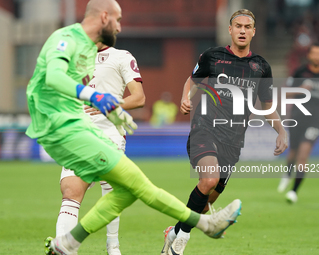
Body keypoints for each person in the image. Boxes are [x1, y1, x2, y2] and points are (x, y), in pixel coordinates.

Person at [25, 1, 242, 254]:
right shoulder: (66, 39)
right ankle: (206, 223)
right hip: (67, 129)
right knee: (136, 184)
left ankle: (65, 244)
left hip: (78, 131)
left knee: (125, 190)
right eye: (116, 20)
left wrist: (113, 109)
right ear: (104, 17)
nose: (119, 27)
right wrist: (95, 97)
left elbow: (131, 96)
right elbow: (53, 77)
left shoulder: (88, 51)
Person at [161, 9, 288, 255]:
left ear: (253, 31)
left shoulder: (261, 67)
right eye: (237, 26)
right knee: (208, 180)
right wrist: (186, 97)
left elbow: (267, 105)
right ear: (230, 30)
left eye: (247, 26)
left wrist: (281, 130)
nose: (242, 30)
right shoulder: (212, 57)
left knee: (206, 202)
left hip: (234, 140)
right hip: (205, 129)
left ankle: (174, 232)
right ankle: (180, 243)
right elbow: (193, 80)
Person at [56, 39, 145, 255]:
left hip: (110, 134)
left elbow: (139, 97)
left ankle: (112, 246)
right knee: (70, 192)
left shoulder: (122, 56)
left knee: (112, 191)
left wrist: (111, 104)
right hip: (78, 135)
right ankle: (62, 248)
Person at [277, 43, 319, 203]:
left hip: (315, 120)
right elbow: (286, 93)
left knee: (303, 154)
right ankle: (287, 174)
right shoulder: (300, 72)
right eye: (314, 53)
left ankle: (294, 191)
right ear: (309, 55)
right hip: (297, 117)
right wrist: (302, 89)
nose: (317, 57)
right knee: (293, 152)